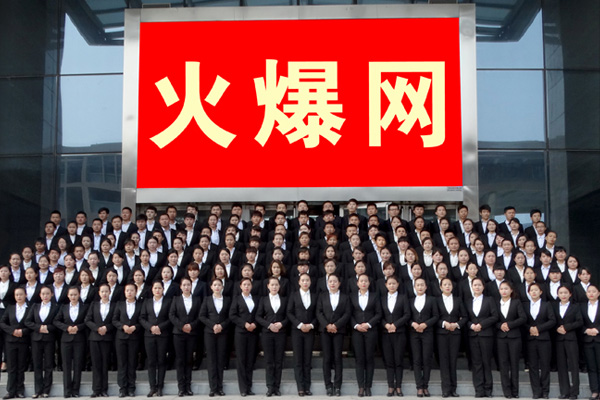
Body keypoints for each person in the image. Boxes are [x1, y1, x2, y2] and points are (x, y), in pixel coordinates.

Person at [317, 274, 350, 397]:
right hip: (325, 331)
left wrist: (336, 325)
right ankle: (328, 385)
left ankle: (337, 386)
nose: (332, 283)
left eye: (335, 281)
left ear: (339, 283)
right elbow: (319, 312)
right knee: (327, 358)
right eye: (330, 281)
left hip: (338, 331)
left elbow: (347, 313)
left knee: (337, 358)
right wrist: (327, 325)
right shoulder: (322, 296)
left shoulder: (345, 297)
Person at [466, 277, 499, 398]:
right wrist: (471, 326)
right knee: (476, 363)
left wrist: (481, 325)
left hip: (486, 335)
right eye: (475, 285)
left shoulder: (489, 300)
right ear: (472, 287)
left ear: (483, 287)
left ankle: (488, 389)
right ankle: (479, 390)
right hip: (473, 335)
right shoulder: (468, 301)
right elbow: (465, 318)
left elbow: (494, 316)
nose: (477, 287)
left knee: (486, 362)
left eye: (479, 285)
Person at [54, 286, 89, 398]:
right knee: (66, 365)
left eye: (75, 294)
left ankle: (75, 390)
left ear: (79, 295)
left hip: (79, 339)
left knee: (78, 365)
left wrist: (78, 327)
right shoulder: (63, 307)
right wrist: (66, 328)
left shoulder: (84, 307)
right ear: (68, 296)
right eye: (71, 295)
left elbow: (87, 321)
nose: (73, 297)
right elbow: (56, 321)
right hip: (66, 339)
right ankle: (67, 390)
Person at [24, 285, 59, 398]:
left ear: (51, 294)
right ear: (40, 295)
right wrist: (39, 328)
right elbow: (28, 321)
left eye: (47, 293)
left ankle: (46, 390)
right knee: (37, 364)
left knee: (49, 364)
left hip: (49, 338)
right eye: (43, 294)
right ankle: (38, 389)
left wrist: (48, 328)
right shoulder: (35, 306)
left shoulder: (55, 307)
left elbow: (57, 323)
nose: (45, 296)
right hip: (36, 339)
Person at [256, 277, 289, 397]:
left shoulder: (284, 300)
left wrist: (282, 324)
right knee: (269, 360)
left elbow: (288, 316)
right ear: (268, 286)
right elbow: (258, 316)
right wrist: (269, 325)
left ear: (279, 286)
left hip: (281, 333)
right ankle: (270, 387)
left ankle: (277, 387)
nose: (274, 287)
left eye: (276, 285)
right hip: (267, 333)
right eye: (272, 285)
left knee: (279, 361)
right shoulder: (263, 300)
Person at [350, 274, 381, 397]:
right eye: (361, 281)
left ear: (369, 283)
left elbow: (378, 313)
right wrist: (356, 325)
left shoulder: (374, 296)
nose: (363, 283)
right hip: (357, 331)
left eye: (366, 281)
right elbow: (349, 313)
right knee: (359, 359)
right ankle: (361, 387)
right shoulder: (352, 296)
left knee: (369, 358)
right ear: (357, 283)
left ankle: (368, 386)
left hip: (370, 331)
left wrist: (368, 324)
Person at [139, 281, 172, 397]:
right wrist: (151, 327)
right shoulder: (147, 302)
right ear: (152, 290)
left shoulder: (168, 301)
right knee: (151, 361)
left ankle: (160, 386)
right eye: (155, 288)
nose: (157, 290)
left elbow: (170, 317)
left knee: (161, 360)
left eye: (159, 288)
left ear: (163, 289)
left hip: (163, 334)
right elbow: (142, 318)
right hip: (149, 335)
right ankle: (152, 387)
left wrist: (160, 327)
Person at [169, 277, 201, 397]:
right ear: (181, 287)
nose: (186, 287)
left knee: (189, 359)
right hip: (178, 333)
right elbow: (172, 315)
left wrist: (191, 325)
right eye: (184, 285)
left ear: (191, 286)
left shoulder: (197, 299)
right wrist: (181, 326)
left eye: (188, 285)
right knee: (180, 360)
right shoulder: (176, 299)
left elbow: (199, 316)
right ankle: (181, 387)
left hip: (191, 333)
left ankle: (188, 386)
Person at [287, 273, 318, 396]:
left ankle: (307, 386)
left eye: (307, 280)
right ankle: (300, 387)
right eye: (303, 280)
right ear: (299, 282)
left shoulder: (315, 296)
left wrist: (311, 325)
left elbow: (317, 313)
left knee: (307, 359)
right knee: (298, 359)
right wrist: (299, 325)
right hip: (297, 331)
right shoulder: (293, 295)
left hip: (310, 331)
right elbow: (289, 312)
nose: (305, 282)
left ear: (310, 282)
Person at [199, 279, 231, 397]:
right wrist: (213, 325)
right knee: (212, 360)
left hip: (223, 333)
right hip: (209, 333)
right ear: (211, 287)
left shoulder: (227, 300)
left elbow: (230, 316)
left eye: (219, 285)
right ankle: (213, 388)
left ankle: (220, 387)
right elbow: (202, 316)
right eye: (215, 285)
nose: (217, 287)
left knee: (220, 360)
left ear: (222, 287)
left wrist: (221, 326)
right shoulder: (207, 300)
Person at [436, 277, 467, 398]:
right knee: (444, 361)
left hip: (455, 334)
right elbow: (435, 317)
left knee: (453, 361)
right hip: (442, 334)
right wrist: (444, 323)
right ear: (441, 287)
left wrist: (456, 324)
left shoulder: (458, 300)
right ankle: (445, 389)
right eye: (445, 284)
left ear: (452, 287)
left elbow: (465, 316)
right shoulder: (437, 300)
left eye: (449, 284)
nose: (447, 286)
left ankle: (453, 389)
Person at [495, 281, 526, 399]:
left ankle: (515, 391)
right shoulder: (496, 303)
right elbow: (494, 318)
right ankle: (506, 391)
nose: (504, 291)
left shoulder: (516, 302)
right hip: (501, 337)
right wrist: (500, 325)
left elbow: (523, 318)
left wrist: (509, 325)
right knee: (503, 364)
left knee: (514, 364)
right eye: (502, 289)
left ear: (511, 290)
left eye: (506, 288)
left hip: (514, 337)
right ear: (499, 291)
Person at [229, 278, 260, 397]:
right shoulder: (236, 299)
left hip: (253, 332)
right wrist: (244, 324)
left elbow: (260, 314)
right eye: (244, 284)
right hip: (241, 333)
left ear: (251, 286)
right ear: (240, 286)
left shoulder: (256, 298)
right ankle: (243, 388)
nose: (246, 286)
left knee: (250, 360)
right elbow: (232, 315)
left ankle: (249, 387)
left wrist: (255, 324)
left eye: (248, 284)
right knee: (241, 360)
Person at [381, 275, 410, 397]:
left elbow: (407, 314)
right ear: (386, 285)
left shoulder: (403, 297)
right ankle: (390, 386)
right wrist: (386, 325)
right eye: (389, 283)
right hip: (386, 333)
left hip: (399, 333)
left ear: (398, 284)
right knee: (389, 361)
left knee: (398, 360)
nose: (392, 285)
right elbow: (379, 315)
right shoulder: (382, 298)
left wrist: (395, 325)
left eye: (394, 283)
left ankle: (398, 386)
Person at [525, 283, 555, 399]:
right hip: (530, 339)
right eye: (531, 290)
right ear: (528, 292)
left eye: (536, 290)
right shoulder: (525, 305)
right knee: (533, 366)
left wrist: (538, 329)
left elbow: (552, 320)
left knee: (545, 365)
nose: (534, 292)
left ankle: (545, 391)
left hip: (544, 339)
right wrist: (530, 329)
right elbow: (523, 320)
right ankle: (536, 391)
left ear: (541, 292)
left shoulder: (546, 305)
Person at [408, 277, 438, 398]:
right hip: (414, 332)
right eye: (418, 285)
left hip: (427, 332)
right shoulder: (410, 300)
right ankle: (419, 387)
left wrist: (426, 324)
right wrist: (413, 324)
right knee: (416, 359)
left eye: (422, 285)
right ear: (414, 287)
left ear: (426, 287)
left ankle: (425, 385)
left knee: (426, 359)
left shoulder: (432, 300)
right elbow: (407, 316)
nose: (420, 287)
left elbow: (436, 316)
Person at [85, 283, 116, 398]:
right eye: (102, 291)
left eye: (106, 291)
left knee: (104, 364)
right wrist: (97, 328)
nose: (104, 293)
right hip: (95, 338)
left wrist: (106, 328)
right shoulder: (94, 305)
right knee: (96, 364)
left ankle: (104, 389)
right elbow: (87, 320)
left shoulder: (114, 305)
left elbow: (115, 320)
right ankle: (96, 389)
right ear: (99, 293)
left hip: (107, 338)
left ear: (110, 292)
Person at [0, 287, 31, 399]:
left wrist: (23, 331)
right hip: (10, 341)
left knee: (21, 366)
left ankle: (20, 390)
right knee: (11, 367)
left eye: (21, 294)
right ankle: (10, 391)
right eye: (17, 295)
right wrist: (12, 331)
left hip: (23, 341)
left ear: (25, 295)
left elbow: (32, 324)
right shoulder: (10, 308)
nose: (19, 297)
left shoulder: (30, 308)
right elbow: (2, 323)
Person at [113, 283, 143, 397]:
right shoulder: (119, 304)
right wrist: (123, 326)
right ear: (124, 292)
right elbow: (114, 320)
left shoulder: (140, 305)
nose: (129, 292)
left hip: (134, 337)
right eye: (127, 291)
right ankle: (122, 388)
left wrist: (135, 327)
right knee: (122, 363)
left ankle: (131, 388)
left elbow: (142, 319)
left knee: (132, 362)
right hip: (121, 337)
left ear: (136, 292)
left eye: (132, 290)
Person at [554, 285, 582, 400]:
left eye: (566, 292)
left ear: (570, 294)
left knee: (574, 365)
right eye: (561, 293)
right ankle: (564, 391)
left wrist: (567, 327)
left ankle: (574, 392)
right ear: (558, 294)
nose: (563, 295)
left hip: (571, 338)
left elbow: (579, 321)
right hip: (559, 339)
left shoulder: (575, 307)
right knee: (561, 366)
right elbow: (552, 320)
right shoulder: (554, 306)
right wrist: (557, 328)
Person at [582, 285, 600, 400]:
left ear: (598, 293)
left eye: (594, 291)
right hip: (587, 340)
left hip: (599, 338)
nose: (591, 293)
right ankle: (594, 391)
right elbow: (579, 321)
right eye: (589, 291)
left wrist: (598, 330)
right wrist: (586, 330)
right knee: (591, 366)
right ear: (586, 294)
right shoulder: (582, 306)